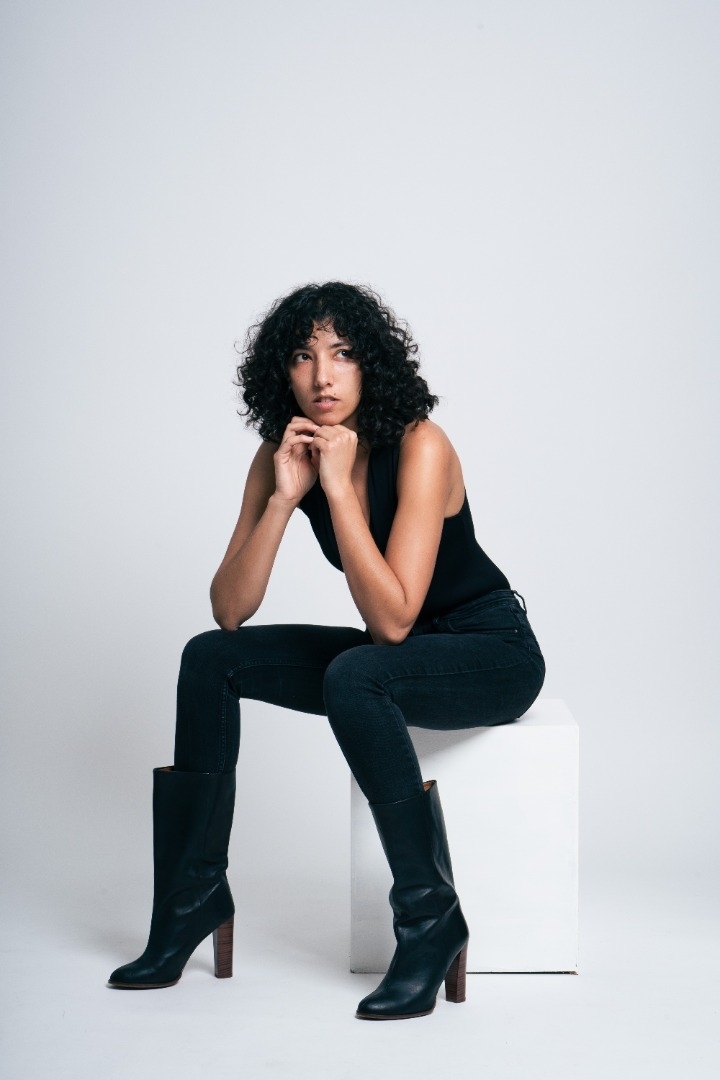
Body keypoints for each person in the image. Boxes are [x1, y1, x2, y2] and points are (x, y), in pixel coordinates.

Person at [107, 282, 545, 1020]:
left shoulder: (422, 444)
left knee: (358, 673)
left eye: (342, 354)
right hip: (394, 653)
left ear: (371, 365)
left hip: (489, 649)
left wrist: (339, 491)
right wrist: (285, 498)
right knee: (210, 658)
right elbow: (229, 609)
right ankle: (189, 902)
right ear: (281, 373)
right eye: (302, 357)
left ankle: (431, 919)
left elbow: (394, 621)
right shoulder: (281, 455)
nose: (322, 376)